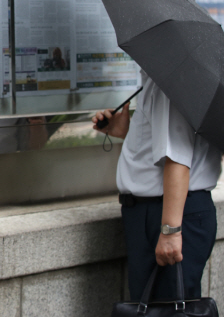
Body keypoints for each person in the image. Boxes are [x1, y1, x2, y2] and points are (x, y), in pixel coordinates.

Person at [92, 70, 221, 302]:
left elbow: (178, 158)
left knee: (168, 307)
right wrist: (127, 132)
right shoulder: (172, 77)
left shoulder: (171, 81)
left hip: (169, 213)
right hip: (166, 211)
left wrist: (170, 231)